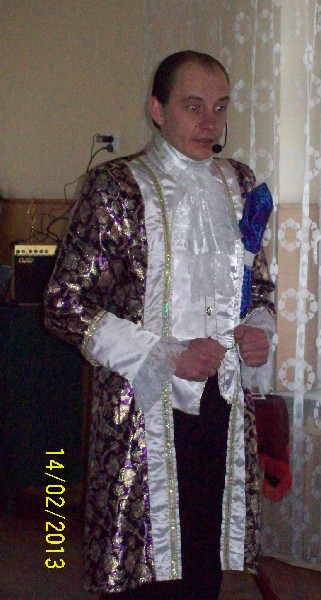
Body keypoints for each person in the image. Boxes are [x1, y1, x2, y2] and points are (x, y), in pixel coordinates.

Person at [44, 50, 275, 599]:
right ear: (157, 109)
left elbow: (259, 285)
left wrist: (259, 327)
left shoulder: (240, 183)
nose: (210, 122)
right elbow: (64, 303)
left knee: (204, 557)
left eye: (220, 107)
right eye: (193, 106)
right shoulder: (116, 187)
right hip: (143, 407)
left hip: (222, 402)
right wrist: (166, 354)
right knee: (148, 565)